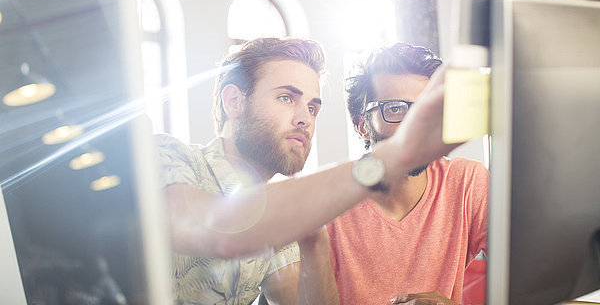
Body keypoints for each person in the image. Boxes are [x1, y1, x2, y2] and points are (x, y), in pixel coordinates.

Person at [154, 37, 459, 305]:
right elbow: (212, 228)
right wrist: (394, 155)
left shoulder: (278, 214)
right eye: (286, 98)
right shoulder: (167, 155)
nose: (305, 119)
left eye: (313, 108)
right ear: (234, 101)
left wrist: (315, 240)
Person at [326, 42, 489, 305]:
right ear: (362, 126)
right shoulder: (329, 204)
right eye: (394, 108)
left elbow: (528, 281)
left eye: (423, 108)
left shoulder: (467, 182)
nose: (415, 126)